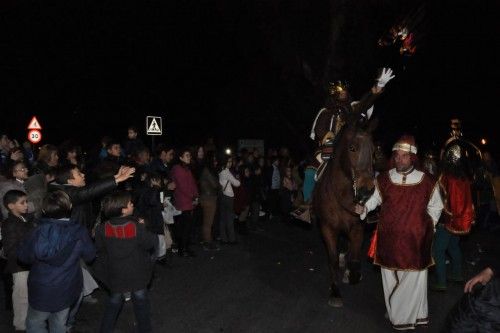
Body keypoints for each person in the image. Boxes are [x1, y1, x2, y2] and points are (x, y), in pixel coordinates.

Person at [355, 135, 444, 330]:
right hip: (388, 238)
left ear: (412, 157)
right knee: (389, 279)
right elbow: (375, 199)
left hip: (416, 240)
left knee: (414, 281)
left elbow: (436, 207)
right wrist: (364, 208)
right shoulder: (385, 179)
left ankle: (404, 318)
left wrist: (428, 226)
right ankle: (401, 313)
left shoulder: (427, 181)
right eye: (397, 156)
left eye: (404, 156)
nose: (399, 160)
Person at [17, 190, 96, 333]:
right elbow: (90, 256)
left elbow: (23, 257)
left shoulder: (36, 231)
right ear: (70, 206)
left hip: (41, 286)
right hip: (67, 285)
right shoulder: (79, 232)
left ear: (43, 209)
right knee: (60, 323)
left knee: (35, 322)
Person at [94, 190, 157, 333]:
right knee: (141, 301)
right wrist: (144, 227)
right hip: (137, 272)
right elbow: (150, 244)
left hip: (116, 273)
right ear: (123, 210)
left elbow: (100, 249)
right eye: (129, 203)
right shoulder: (136, 227)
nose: (132, 204)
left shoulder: (102, 228)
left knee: (114, 302)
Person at [431, 119, 476, 291]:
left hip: (446, 220)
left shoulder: (445, 177)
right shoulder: (465, 178)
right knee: (454, 246)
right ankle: (457, 274)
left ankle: (441, 282)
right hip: (461, 219)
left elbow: (439, 199)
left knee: (438, 250)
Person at [1, 190, 35, 331]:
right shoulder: (9, 224)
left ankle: (27, 321)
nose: (26, 205)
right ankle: (20, 325)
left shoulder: (24, 218)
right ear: (11, 206)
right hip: (19, 266)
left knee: (27, 295)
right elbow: (10, 249)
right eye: (22, 203)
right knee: (21, 297)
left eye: (26, 201)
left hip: (27, 263)